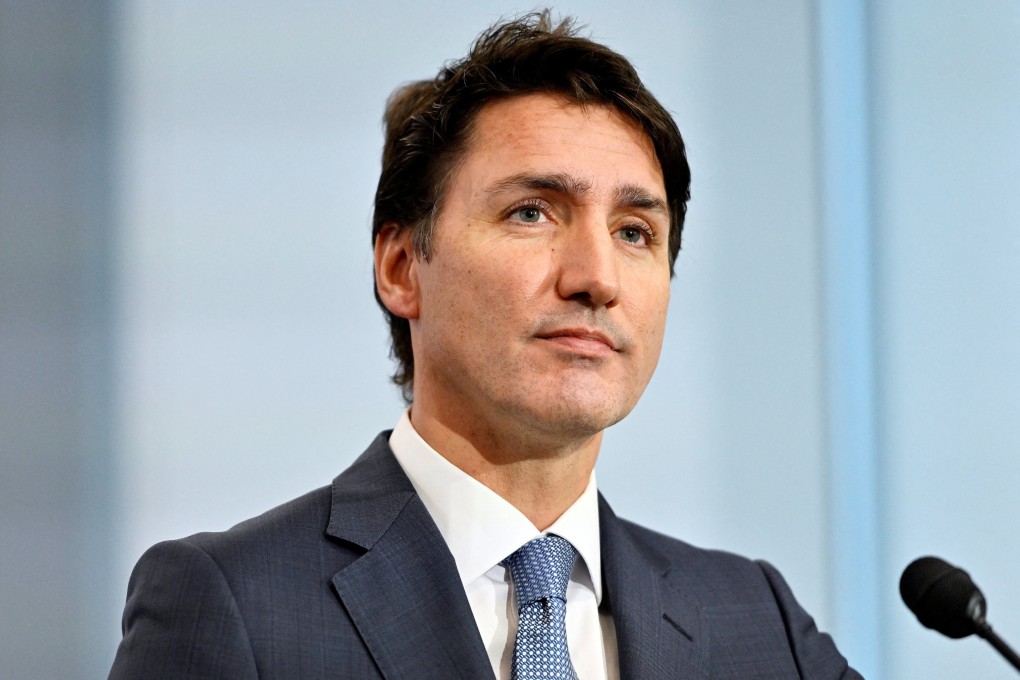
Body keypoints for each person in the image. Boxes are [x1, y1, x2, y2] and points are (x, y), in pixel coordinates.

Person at [110, 12, 862, 679]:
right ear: (402, 268)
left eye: (635, 232)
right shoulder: (234, 603)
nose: (596, 279)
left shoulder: (756, 622)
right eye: (532, 212)